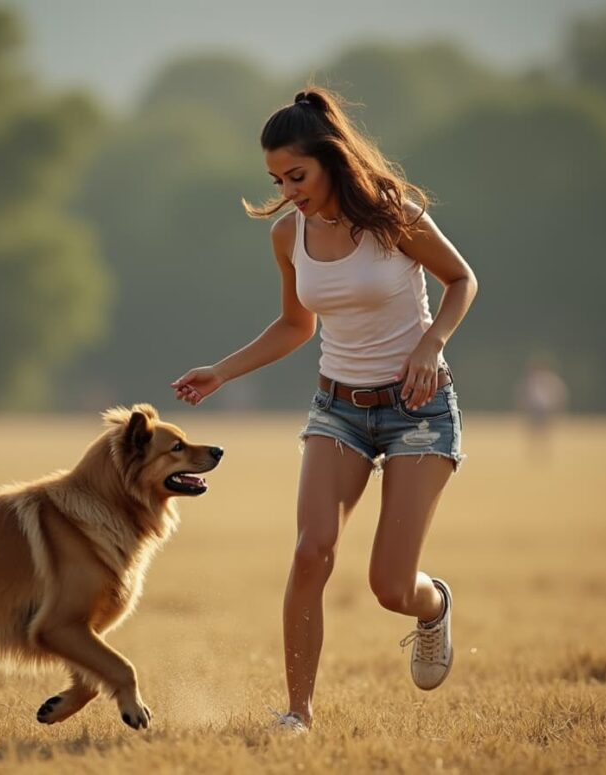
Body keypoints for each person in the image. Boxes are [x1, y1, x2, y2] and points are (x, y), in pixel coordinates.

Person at [170, 87, 478, 733]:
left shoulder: (395, 215)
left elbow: (461, 279)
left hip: (419, 410)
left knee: (391, 588)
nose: (287, 189)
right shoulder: (289, 233)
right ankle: (298, 712)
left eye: (297, 175)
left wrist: (431, 343)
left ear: (332, 159)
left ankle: (433, 604)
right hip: (337, 410)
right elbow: (293, 324)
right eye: (276, 178)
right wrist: (221, 372)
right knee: (312, 550)